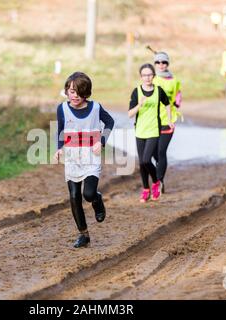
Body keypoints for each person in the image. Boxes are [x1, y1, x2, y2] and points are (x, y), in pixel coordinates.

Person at [54, 72, 115, 248]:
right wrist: (59, 148)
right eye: (71, 91)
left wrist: (101, 142)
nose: (74, 96)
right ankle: (83, 235)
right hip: (72, 156)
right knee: (74, 197)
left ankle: (97, 200)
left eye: (78, 92)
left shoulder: (96, 108)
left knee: (88, 194)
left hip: (91, 155)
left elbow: (110, 122)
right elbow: (61, 130)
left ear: (86, 93)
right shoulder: (62, 109)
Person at [128, 63, 170, 203]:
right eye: (144, 75)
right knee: (142, 163)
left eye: (149, 75)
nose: (147, 77)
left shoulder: (159, 91)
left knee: (146, 160)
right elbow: (129, 114)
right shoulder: (136, 92)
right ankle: (146, 189)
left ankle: (156, 182)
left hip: (154, 130)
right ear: (141, 77)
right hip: (140, 130)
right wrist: (139, 105)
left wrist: (169, 120)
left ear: (154, 76)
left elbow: (167, 103)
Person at [153, 51, 181, 194]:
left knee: (161, 151)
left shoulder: (175, 81)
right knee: (152, 152)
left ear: (167, 64)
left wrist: (177, 104)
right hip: (152, 122)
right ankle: (158, 174)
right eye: (158, 62)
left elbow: (178, 95)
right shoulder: (151, 79)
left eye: (164, 62)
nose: (161, 65)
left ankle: (159, 180)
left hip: (168, 121)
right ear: (154, 64)